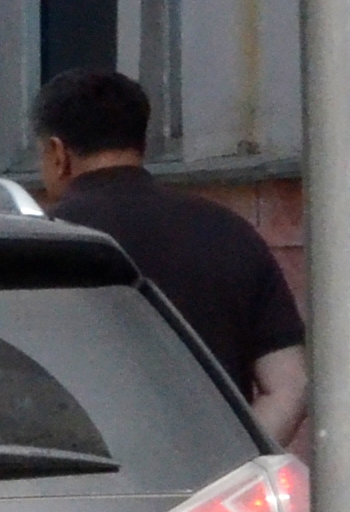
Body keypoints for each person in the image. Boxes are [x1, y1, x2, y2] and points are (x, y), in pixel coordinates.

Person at [33, 67, 307, 450]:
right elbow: (289, 385)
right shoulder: (230, 234)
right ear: (139, 142)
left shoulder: (41, 246)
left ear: (58, 154)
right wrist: (234, 469)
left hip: (86, 491)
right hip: (209, 492)